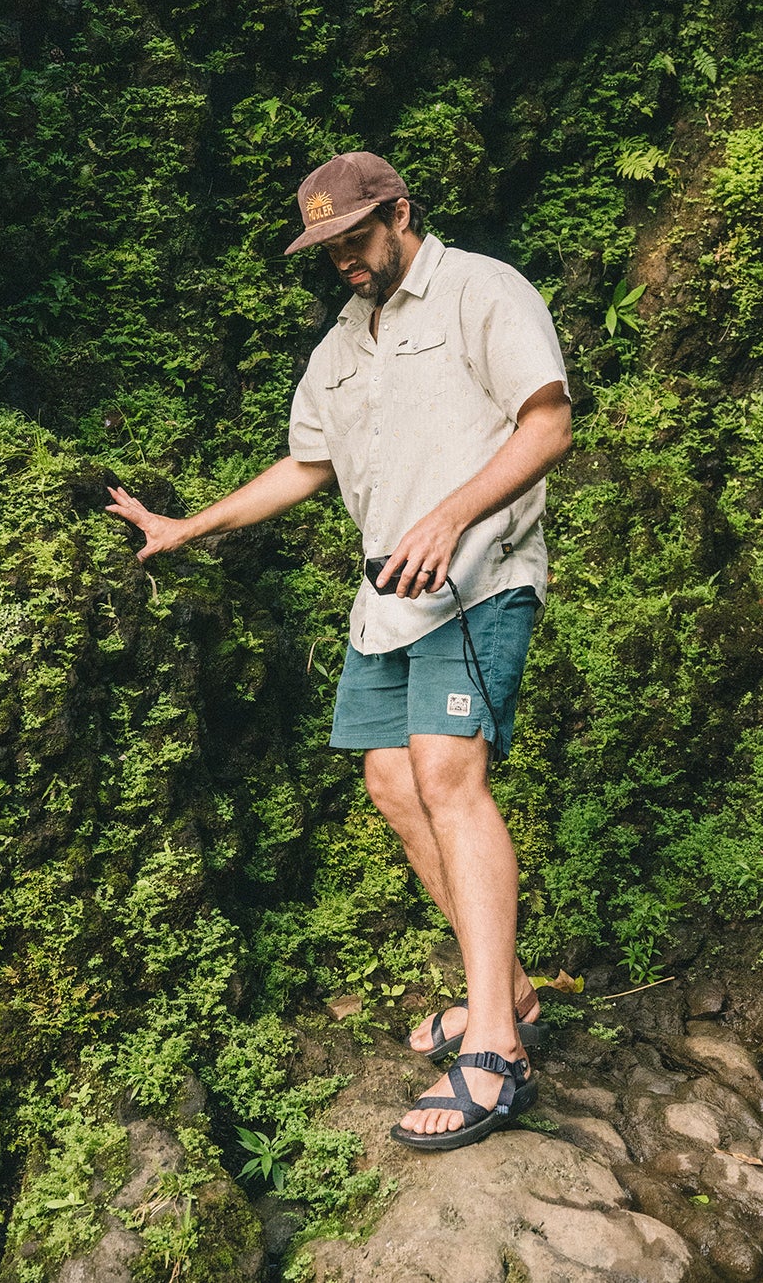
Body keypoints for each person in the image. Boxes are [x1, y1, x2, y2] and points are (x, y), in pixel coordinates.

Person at [106, 151, 571, 1150]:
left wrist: (451, 516)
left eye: (354, 242)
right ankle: (514, 991)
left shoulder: (481, 291)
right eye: (327, 251)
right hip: (386, 603)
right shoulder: (342, 343)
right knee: (393, 782)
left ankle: (491, 1049)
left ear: (400, 213)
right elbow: (304, 464)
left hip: (475, 577)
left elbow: (546, 422)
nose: (343, 264)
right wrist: (190, 527)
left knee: (448, 776)